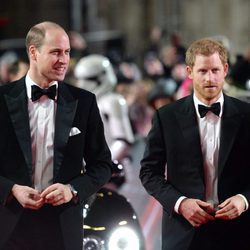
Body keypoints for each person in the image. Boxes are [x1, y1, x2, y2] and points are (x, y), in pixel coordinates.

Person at [0, 21, 112, 250]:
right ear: (33, 51)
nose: (64, 60)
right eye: (56, 52)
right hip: (8, 225)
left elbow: (101, 165)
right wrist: (12, 189)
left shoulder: (84, 102)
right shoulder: (2, 99)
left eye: (67, 52)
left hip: (63, 227)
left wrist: (71, 190)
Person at [140, 38, 250, 250]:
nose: (210, 78)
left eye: (216, 70)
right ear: (189, 72)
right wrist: (180, 204)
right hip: (183, 233)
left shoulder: (247, 116)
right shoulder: (166, 117)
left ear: (225, 70)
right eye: (202, 71)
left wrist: (243, 200)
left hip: (239, 233)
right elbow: (149, 173)